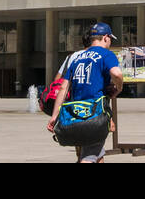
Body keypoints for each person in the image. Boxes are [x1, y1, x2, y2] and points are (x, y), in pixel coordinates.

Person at [47, 22, 123, 163]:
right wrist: (119, 87)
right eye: (110, 39)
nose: (110, 42)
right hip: (95, 114)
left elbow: (63, 88)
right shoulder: (106, 54)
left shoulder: (77, 58)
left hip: (75, 115)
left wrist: (54, 116)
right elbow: (117, 74)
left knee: (96, 153)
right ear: (105, 37)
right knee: (88, 157)